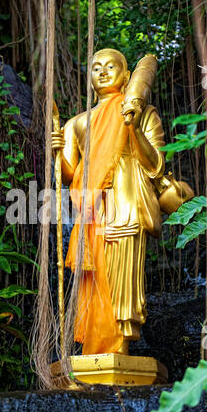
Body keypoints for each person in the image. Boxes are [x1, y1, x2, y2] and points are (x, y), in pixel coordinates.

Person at [52, 48, 165, 356]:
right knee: (92, 280)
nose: (102, 72)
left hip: (125, 203)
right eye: (96, 67)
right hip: (92, 212)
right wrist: (57, 151)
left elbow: (156, 165)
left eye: (110, 66)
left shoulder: (143, 112)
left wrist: (132, 126)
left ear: (126, 76)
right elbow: (69, 174)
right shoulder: (77, 123)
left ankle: (118, 348)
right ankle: (93, 350)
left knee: (120, 282)